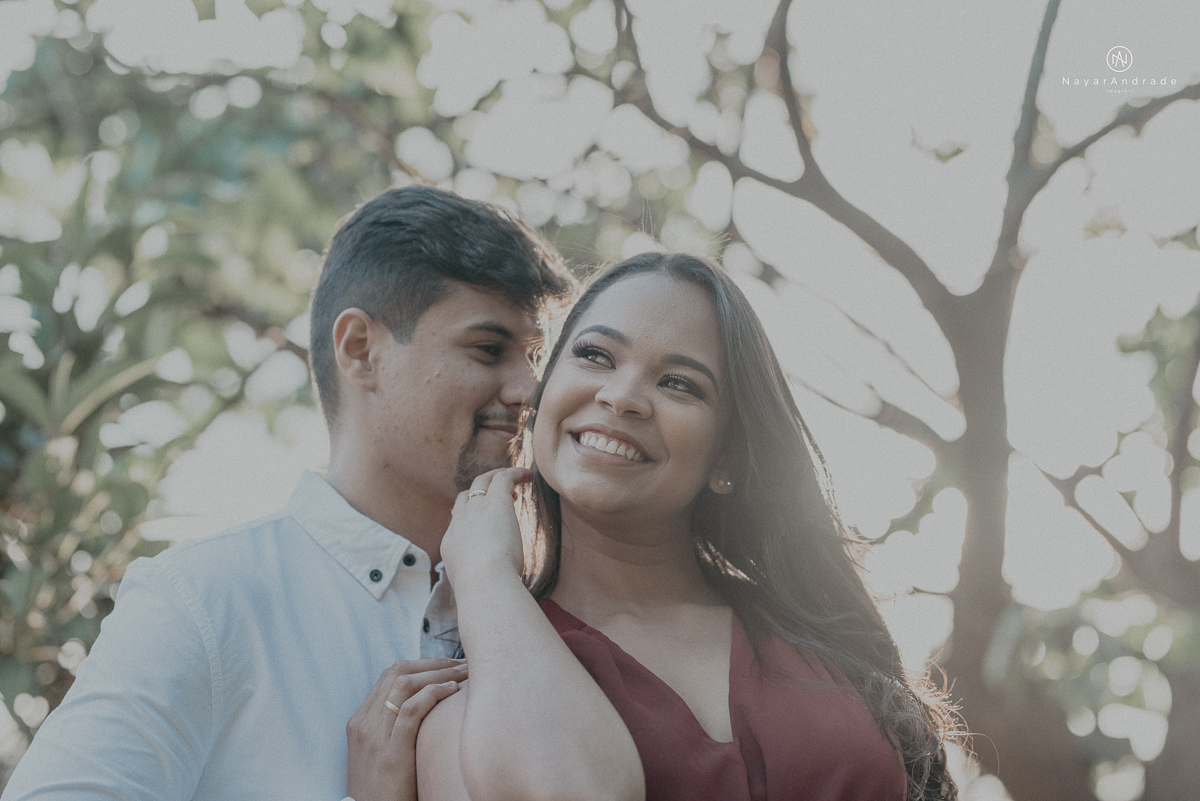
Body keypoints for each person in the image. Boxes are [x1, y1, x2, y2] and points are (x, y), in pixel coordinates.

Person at [2, 185, 574, 801]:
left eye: (539, 358)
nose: (531, 389)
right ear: (360, 350)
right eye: (490, 349)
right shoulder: (205, 600)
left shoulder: (560, 604)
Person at [353, 252, 960, 801]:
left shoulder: (823, 642)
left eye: (680, 383)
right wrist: (483, 572)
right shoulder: (474, 690)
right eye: (595, 355)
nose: (622, 398)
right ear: (541, 399)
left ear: (726, 458)